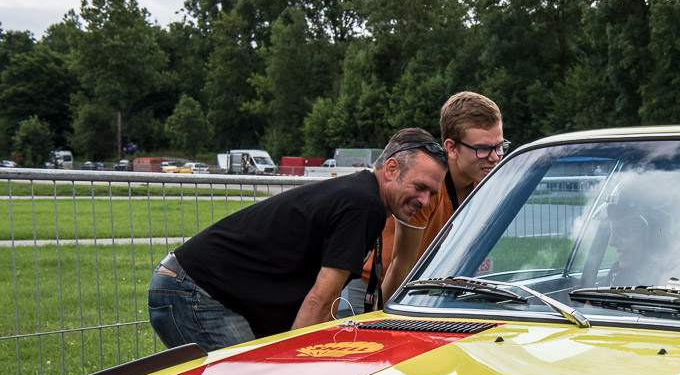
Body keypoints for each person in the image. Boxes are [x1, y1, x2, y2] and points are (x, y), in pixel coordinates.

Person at [148, 128, 447, 352]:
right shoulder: (364, 205)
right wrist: (295, 368)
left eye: (432, 193)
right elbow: (320, 299)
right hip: (194, 292)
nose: (424, 200)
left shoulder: (364, 199)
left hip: (196, 289)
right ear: (392, 169)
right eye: (420, 187)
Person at [376, 92, 505, 304]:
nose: (494, 157)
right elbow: (402, 263)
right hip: (377, 285)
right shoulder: (427, 188)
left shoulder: (483, 184)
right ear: (451, 148)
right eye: (483, 149)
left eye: (499, 146)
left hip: (422, 287)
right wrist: (380, 318)